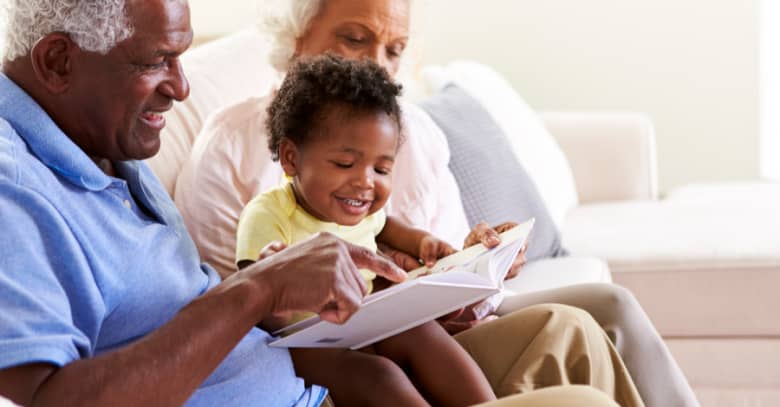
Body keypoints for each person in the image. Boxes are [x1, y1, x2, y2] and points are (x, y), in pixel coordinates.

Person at [0, 0, 643, 406]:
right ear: (59, 61)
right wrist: (257, 289)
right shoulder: (14, 190)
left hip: (319, 376)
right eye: (159, 60)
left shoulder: (103, 143)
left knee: (580, 330)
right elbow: (48, 397)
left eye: (183, 56)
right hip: (328, 378)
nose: (181, 85)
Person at [173, 0, 699, 406]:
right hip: (329, 355)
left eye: (394, 50)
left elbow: (438, 267)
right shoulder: (231, 147)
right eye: (354, 38)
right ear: (295, 38)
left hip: (418, 332)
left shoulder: (411, 132)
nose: (378, 65)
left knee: (594, 315)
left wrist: (477, 262)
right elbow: (239, 309)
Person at [237, 54, 497, 406]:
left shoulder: (360, 211)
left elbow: (386, 225)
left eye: (381, 169)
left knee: (422, 333)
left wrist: (424, 243)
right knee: (380, 375)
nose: (365, 182)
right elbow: (258, 312)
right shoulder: (267, 215)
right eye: (345, 164)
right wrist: (276, 285)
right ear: (291, 158)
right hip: (303, 346)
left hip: (364, 324)